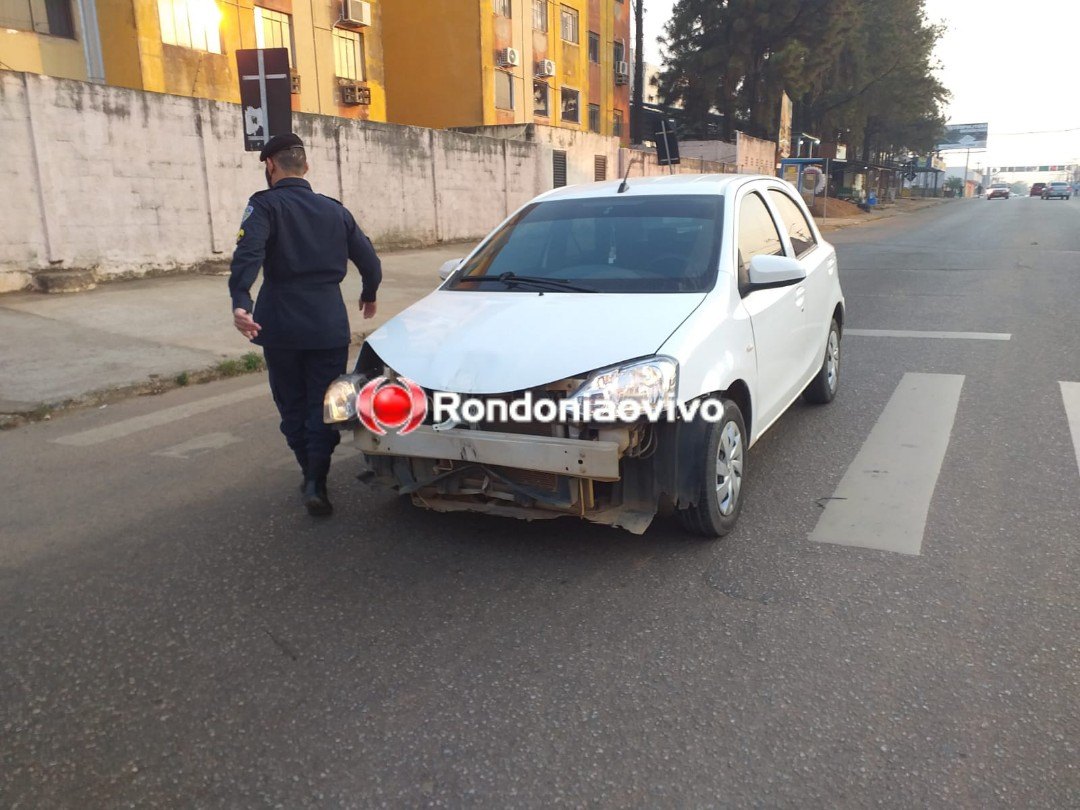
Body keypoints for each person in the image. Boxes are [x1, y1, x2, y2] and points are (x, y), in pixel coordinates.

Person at [229, 132, 382, 516]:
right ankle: (317, 478)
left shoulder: (264, 205)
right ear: (306, 167)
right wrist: (369, 292)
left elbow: (248, 253)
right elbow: (370, 261)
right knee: (323, 404)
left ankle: (309, 474)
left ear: (270, 165)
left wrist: (241, 301)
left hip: (279, 322)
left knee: (291, 402)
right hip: (327, 322)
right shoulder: (335, 210)